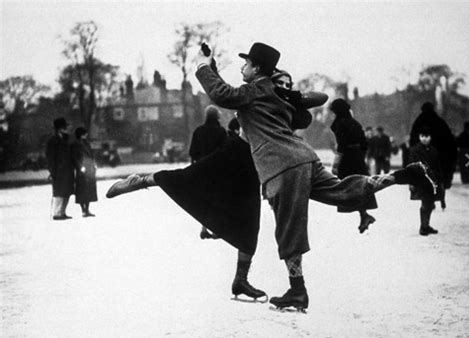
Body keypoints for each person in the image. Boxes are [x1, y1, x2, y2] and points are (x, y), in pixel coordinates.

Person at [193, 42, 437, 311]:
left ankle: (297, 291)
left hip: (282, 167)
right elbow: (294, 106)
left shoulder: (255, 89)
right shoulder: (276, 93)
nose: (243, 67)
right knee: (343, 190)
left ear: (258, 68)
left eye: (247, 64)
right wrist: (216, 68)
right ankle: (403, 175)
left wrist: (203, 65)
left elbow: (222, 94)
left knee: (288, 228)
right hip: (305, 158)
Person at [106, 69, 327, 302]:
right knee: (188, 177)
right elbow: (227, 94)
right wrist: (212, 68)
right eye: (279, 82)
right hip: (236, 153)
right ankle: (140, 181)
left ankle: (240, 280)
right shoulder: (258, 97)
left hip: (256, 164)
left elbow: (319, 101)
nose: (283, 85)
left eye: (287, 83)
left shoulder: (288, 106)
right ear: (269, 84)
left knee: (251, 225)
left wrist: (294, 96)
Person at [330, 99, 377, 233]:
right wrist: (359, 156)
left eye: (333, 112)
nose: (333, 115)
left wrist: (336, 164)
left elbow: (341, 146)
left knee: (348, 186)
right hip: (357, 158)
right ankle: (364, 215)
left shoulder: (340, 124)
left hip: (347, 159)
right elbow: (364, 144)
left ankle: (363, 216)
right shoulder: (356, 123)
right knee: (360, 185)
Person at [189, 105, 227, 239]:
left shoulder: (198, 131)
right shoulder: (221, 131)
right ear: (217, 116)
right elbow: (226, 151)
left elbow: (192, 152)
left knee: (205, 198)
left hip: (201, 169)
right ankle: (216, 230)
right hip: (217, 169)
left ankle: (204, 228)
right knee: (217, 198)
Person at [410, 102, 457, 189]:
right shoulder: (440, 121)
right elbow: (449, 140)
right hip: (439, 155)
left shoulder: (418, 122)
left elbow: (413, 140)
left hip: (422, 155)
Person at [408, 127, 445, 236]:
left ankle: (426, 224)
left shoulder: (434, 150)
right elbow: (410, 166)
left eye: (427, 136)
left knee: (430, 203)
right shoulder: (415, 150)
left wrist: (441, 181)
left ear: (431, 137)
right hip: (420, 180)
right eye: (422, 136)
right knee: (425, 203)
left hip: (432, 181)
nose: (424, 139)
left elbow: (438, 166)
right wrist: (411, 181)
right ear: (419, 137)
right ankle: (423, 226)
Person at [45, 117, 74, 220]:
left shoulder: (66, 139)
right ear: (59, 128)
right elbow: (50, 157)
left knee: (67, 191)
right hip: (58, 171)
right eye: (64, 127)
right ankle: (57, 213)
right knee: (59, 192)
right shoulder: (53, 141)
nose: (66, 129)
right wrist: (52, 170)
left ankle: (62, 212)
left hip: (67, 170)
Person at [71, 127, 98, 217]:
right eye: (84, 133)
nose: (86, 135)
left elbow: (91, 155)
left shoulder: (86, 143)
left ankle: (87, 209)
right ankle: (83, 209)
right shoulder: (76, 144)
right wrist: (80, 167)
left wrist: (94, 164)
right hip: (82, 169)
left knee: (89, 189)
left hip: (89, 168)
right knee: (82, 190)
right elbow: (75, 157)